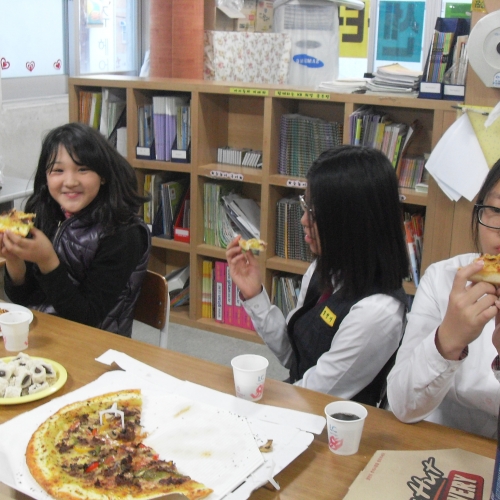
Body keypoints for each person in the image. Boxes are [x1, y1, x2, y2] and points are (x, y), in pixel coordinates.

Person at [226, 145, 410, 405]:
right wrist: (254, 294)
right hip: (301, 399)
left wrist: (255, 403)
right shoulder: (326, 269)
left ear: (350, 221)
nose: (303, 219)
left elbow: (315, 395)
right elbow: (294, 357)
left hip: (334, 426)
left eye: (314, 211)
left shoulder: (377, 313)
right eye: (306, 206)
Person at [0, 122, 151, 338]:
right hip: (47, 332)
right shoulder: (47, 213)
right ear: (46, 176)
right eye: (58, 170)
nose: (70, 181)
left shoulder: (123, 233)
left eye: (83, 169)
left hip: (96, 344)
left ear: (103, 175)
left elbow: (87, 318)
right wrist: (14, 259)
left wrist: (47, 260)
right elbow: (25, 298)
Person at [387, 159, 500, 438]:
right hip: (440, 445)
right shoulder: (443, 278)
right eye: (497, 210)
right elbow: (402, 405)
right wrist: (447, 340)